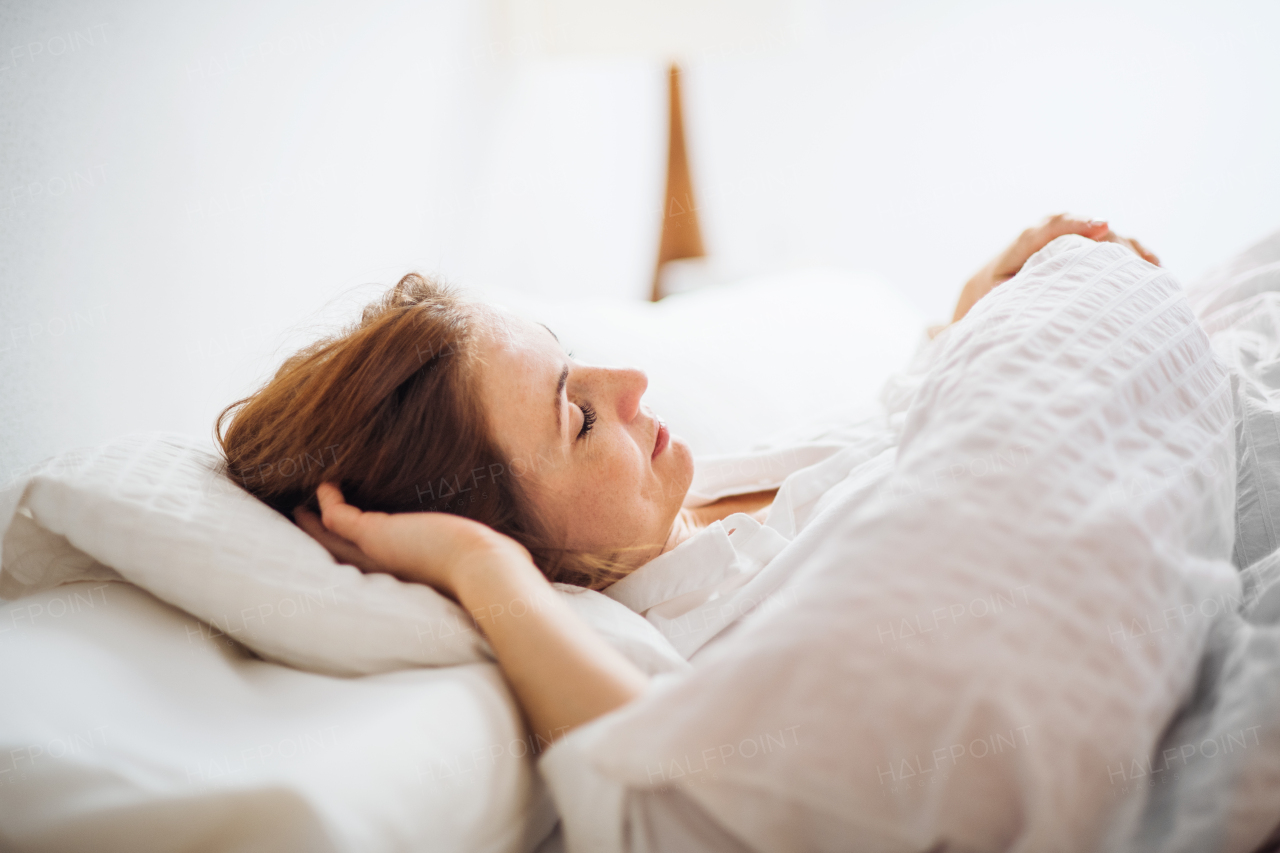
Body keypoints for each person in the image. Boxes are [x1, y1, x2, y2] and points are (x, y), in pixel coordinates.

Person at [216, 214, 1157, 750]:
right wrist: (476, 567)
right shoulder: (635, 639)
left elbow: (896, 430)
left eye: (577, 364)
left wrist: (965, 325)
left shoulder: (695, 494)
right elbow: (664, 772)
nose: (630, 385)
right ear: (513, 536)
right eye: (577, 417)